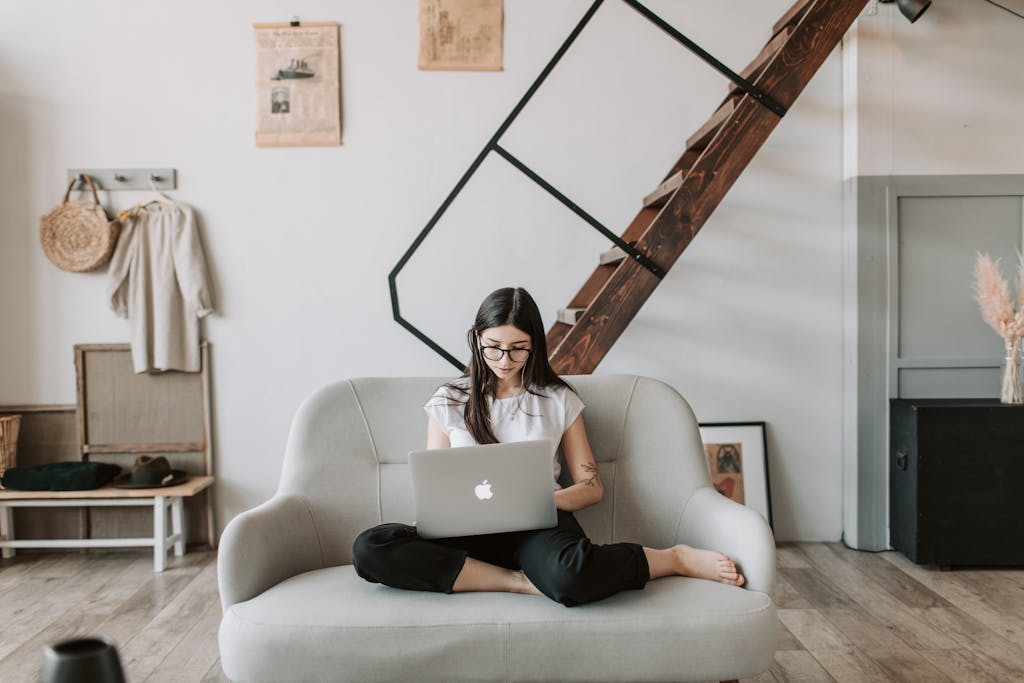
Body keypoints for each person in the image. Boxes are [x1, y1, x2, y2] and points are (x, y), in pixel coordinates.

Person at [352, 287, 745, 606]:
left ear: (535, 345)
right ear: (476, 340)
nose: (504, 360)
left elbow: (591, 487)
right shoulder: (449, 400)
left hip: (539, 525)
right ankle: (515, 583)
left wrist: (538, 501)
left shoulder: (558, 400)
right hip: (465, 532)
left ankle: (671, 557)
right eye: (492, 346)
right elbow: (436, 482)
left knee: (571, 576)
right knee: (371, 548)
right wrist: (438, 516)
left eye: (518, 348)